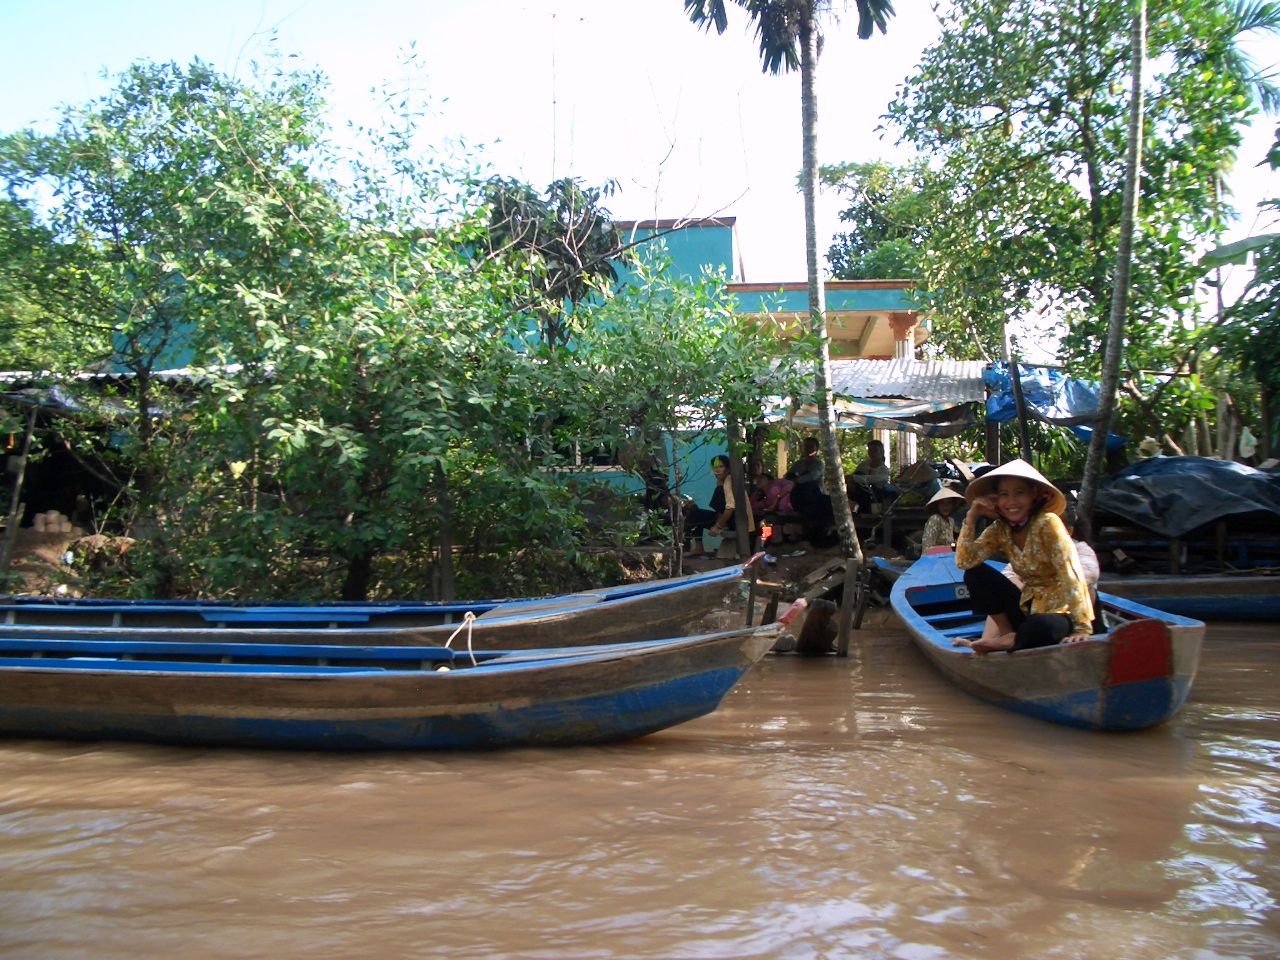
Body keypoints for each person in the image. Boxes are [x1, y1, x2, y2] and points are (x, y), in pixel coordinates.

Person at [950, 459, 1094, 655]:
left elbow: (1071, 572)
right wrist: (971, 517)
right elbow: (965, 561)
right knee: (975, 574)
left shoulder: (1048, 523)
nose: (1011, 502)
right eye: (1004, 495)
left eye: (1019, 493)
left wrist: (1082, 627)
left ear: (1033, 495)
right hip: (1029, 607)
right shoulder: (1000, 529)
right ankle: (1007, 634)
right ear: (995, 500)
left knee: (1040, 626)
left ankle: (1011, 640)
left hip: (1062, 612)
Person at [685, 454, 755, 550]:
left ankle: (695, 546)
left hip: (736, 522)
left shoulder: (729, 480)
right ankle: (698, 547)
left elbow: (730, 507)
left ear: (728, 468)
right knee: (695, 513)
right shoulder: (724, 481)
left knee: (695, 514)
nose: (717, 470)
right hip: (732, 519)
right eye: (715, 467)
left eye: (721, 467)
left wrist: (718, 526)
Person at [784, 436, 834, 542]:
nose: (808, 449)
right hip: (801, 496)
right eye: (806, 446)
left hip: (816, 496)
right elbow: (788, 476)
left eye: (811, 446)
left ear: (816, 448)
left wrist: (797, 480)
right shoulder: (799, 463)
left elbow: (813, 476)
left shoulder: (819, 463)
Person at [848, 439, 895, 514]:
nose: (872, 453)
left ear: (881, 452)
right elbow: (854, 477)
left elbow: (873, 479)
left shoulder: (883, 470)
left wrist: (855, 478)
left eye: (875, 451)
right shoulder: (863, 465)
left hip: (875, 497)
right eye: (870, 450)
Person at [920, 487, 965, 551]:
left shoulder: (951, 520)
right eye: (942, 503)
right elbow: (927, 547)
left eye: (949, 503)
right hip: (934, 558)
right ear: (937, 505)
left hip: (948, 556)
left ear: (952, 505)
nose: (946, 506)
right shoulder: (935, 519)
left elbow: (950, 543)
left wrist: (955, 545)